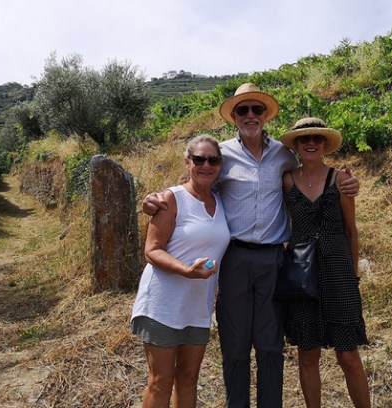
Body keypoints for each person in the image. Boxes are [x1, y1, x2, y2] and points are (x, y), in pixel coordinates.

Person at [141, 83, 360, 408]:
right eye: (243, 110)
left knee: (271, 346)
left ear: (266, 115)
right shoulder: (221, 155)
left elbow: (310, 175)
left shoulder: (283, 156)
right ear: (234, 117)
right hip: (234, 260)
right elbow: (194, 180)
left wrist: (347, 181)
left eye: (257, 109)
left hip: (274, 259)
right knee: (235, 344)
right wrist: (157, 198)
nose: (250, 115)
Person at [131, 134, 231, 408]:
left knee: (188, 381)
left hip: (197, 307)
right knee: (160, 381)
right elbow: (152, 249)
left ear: (220, 165)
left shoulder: (221, 203)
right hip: (163, 305)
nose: (206, 165)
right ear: (187, 162)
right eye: (199, 159)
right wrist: (186, 270)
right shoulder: (172, 198)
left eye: (213, 160)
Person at [279, 117, 370, 408]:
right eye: (304, 139)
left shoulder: (341, 179)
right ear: (295, 145)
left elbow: (351, 230)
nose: (310, 143)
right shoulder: (287, 181)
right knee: (308, 353)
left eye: (316, 139)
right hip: (303, 274)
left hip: (338, 272)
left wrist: (353, 276)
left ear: (324, 145)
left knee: (348, 354)